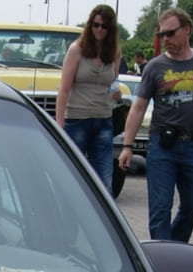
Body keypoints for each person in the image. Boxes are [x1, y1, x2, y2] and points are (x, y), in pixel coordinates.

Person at [116, 8, 193, 242]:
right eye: (161, 35)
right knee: (159, 209)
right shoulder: (155, 67)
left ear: (186, 30)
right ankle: (164, 259)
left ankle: (173, 249)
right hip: (162, 146)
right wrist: (127, 145)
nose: (165, 39)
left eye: (170, 33)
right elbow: (138, 107)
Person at [55, 4, 120, 188]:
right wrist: (59, 124)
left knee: (104, 182)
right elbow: (64, 89)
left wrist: (115, 93)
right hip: (77, 119)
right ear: (90, 26)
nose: (99, 29)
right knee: (69, 178)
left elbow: (112, 83)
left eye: (104, 26)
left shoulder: (114, 52)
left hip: (103, 119)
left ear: (110, 29)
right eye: (96, 25)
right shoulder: (77, 49)